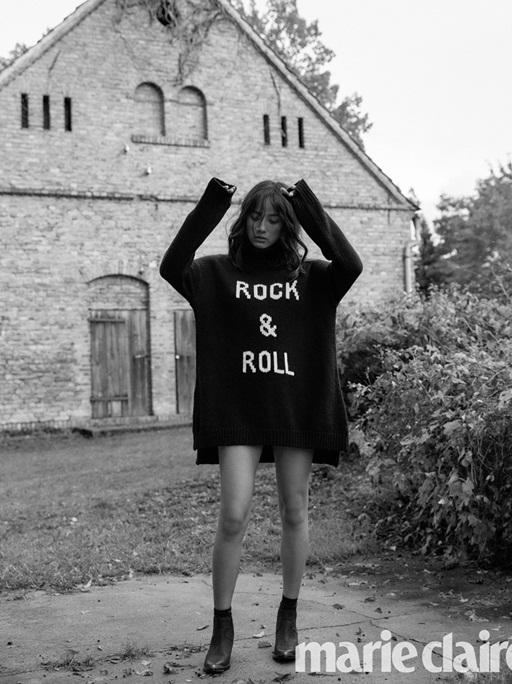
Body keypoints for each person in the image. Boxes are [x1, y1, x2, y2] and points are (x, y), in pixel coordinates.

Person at [160, 177, 362, 674]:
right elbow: (171, 265)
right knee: (233, 515)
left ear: (287, 225)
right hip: (238, 411)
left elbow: (351, 263)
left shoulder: (313, 278)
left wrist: (305, 202)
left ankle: (288, 616)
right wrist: (215, 200)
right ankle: (222, 626)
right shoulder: (214, 274)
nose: (262, 227)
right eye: (254, 216)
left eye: (273, 219)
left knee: (295, 510)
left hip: (296, 408)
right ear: (243, 219)